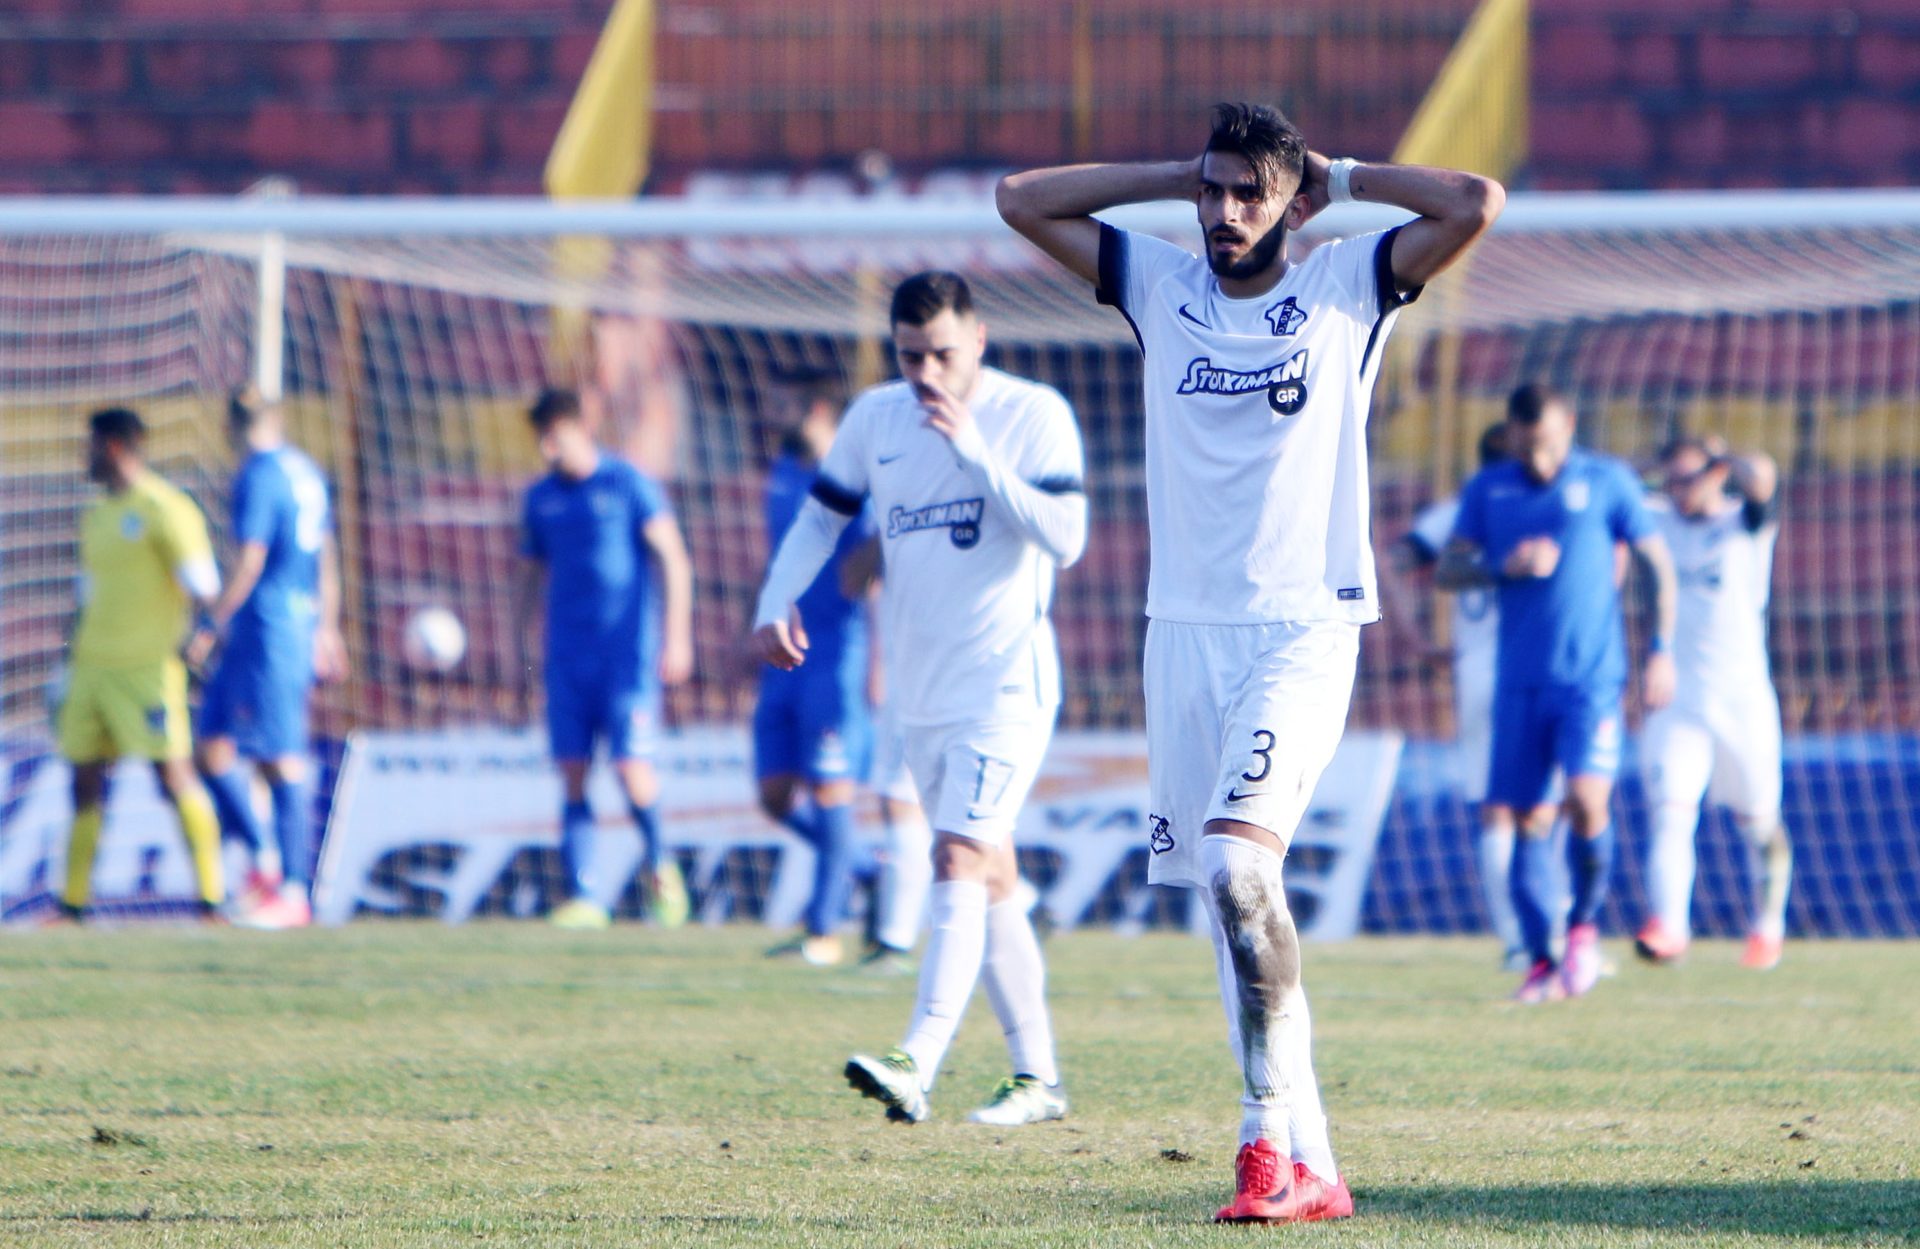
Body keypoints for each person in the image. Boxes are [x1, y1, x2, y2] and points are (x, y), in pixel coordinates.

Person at [998, 102, 1501, 1222]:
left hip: (1303, 627)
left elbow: (1475, 203)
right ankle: (1314, 1164)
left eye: (1248, 194)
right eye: (1212, 193)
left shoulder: (1347, 286)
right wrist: (1177, 170)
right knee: (1231, 912)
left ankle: (1262, 1140)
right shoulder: (1159, 284)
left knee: (1237, 867)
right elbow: (1020, 199)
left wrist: (1342, 175)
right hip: (1181, 634)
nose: (1224, 213)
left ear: (1294, 205)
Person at [752, 271, 1087, 1128]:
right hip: (921, 693)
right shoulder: (876, 417)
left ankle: (917, 1057)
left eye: (942, 353)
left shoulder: (1031, 413)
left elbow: (1067, 537)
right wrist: (775, 598)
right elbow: (822, 517)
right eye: (910, 357)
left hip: (1006, 686)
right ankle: (1038, 1078)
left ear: (978, 339)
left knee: (957, 858)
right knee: (993, 875)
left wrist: (976, 454)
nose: (927, 373)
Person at [1439, 384, 1679, 1003]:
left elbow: (1657, 564)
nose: (1538, 458)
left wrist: (1661, 650)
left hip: (1590, 681)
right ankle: (1541, 962)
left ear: (1568, 425)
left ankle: (1582, 931)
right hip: (1518, 682)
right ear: (1510, 436)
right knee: (1526, 817)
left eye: (1546, 443)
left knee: (1587, 800)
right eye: (1526, 445)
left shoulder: (1607, 481)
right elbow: (1448, 568)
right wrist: (1501, 566)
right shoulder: (1488, 489)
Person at [514, 388, 695, 930]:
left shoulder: (627, 482)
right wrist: (519, 648)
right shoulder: (541, 499)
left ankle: (663, 872)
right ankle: (584, 897)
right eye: (541, 438)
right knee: (572, 773)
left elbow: (673, 559)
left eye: (555, 436)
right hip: (567, 660)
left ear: (581, 427)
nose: (547, 448)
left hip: (626, 660)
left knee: (631, 770)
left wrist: (677, 638)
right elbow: (528, 577)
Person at [55, 407, 226, 920]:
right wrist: (67, 661)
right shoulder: (97, 516)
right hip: (92, 669)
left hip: (147, 670)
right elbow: (88, 595)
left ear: (112, 446)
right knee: (84, 782)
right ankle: (72, 906)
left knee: (172, 776)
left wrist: (200, 640)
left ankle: (212, 899)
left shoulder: (165, 508)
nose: (83, 456)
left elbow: (205, 585)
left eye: (89, 445)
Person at [187, 389, 348, 929]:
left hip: (269, 629)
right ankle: (264, 860)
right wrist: (328, 624)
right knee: (211, 748)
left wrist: (210, 623)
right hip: (280, 626)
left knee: (281, 757)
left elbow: (250, 561)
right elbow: (326, 554)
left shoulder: (257, 475)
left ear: (232, 425)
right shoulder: (307, 471)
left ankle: (295, 893)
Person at [1635, 436, 1791, 971]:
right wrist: (1661, 469)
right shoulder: (1657, 518)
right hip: (1678, 699)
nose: (1680, 490)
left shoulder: (1744, 522)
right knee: (1671, 813)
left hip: (1743, 699)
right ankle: (1670, 928)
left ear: (1718, 474)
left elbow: (1763, 475)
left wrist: (1725, 458)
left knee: (1760, 823)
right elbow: (1619, 487)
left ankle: (1768, 926)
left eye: (1691, 478)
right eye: (1672, 480)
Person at [1388, 424, 1525, 969]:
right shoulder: (1540, 506)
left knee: (1498, 812)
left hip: (1477, 672)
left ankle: (1518, 941)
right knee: (1556, 805)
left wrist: (1416, 640)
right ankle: (1559, 936)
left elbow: (1392, 562)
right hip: (1537, 670)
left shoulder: (1453, 514)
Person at [753, 367, 874, 967]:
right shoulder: (781, 471)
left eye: (786, 402)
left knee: (830, 791)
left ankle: (823, 930)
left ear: (820, 408)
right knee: (775, 797)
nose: (774, 411)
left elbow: (877, 558)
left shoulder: (855, 479)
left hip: (836, 655)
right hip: (783, 656)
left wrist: (880, 658)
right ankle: (866, 867)